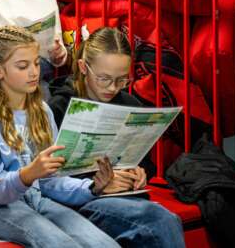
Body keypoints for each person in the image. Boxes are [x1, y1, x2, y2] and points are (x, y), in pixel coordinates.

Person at [0, 26, 123, 248]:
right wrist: (27, 175)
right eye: (23, 66)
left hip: (35, 198)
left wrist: (91, 187)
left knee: (105, 245)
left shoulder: (41, 110)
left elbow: (50, 182)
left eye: (36, 63)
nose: (34, 72)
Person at [48, 27, 184, 247]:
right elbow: (48, 179)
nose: (113, 87)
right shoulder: (58, 107)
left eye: (122, 80)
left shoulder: (130, 104)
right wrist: (98, 183)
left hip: (126, 197)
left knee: (164, 219)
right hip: (80, 201)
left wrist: (139, 172)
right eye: (104, 79)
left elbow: (145, 162)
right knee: (158, 221)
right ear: (83, 67)